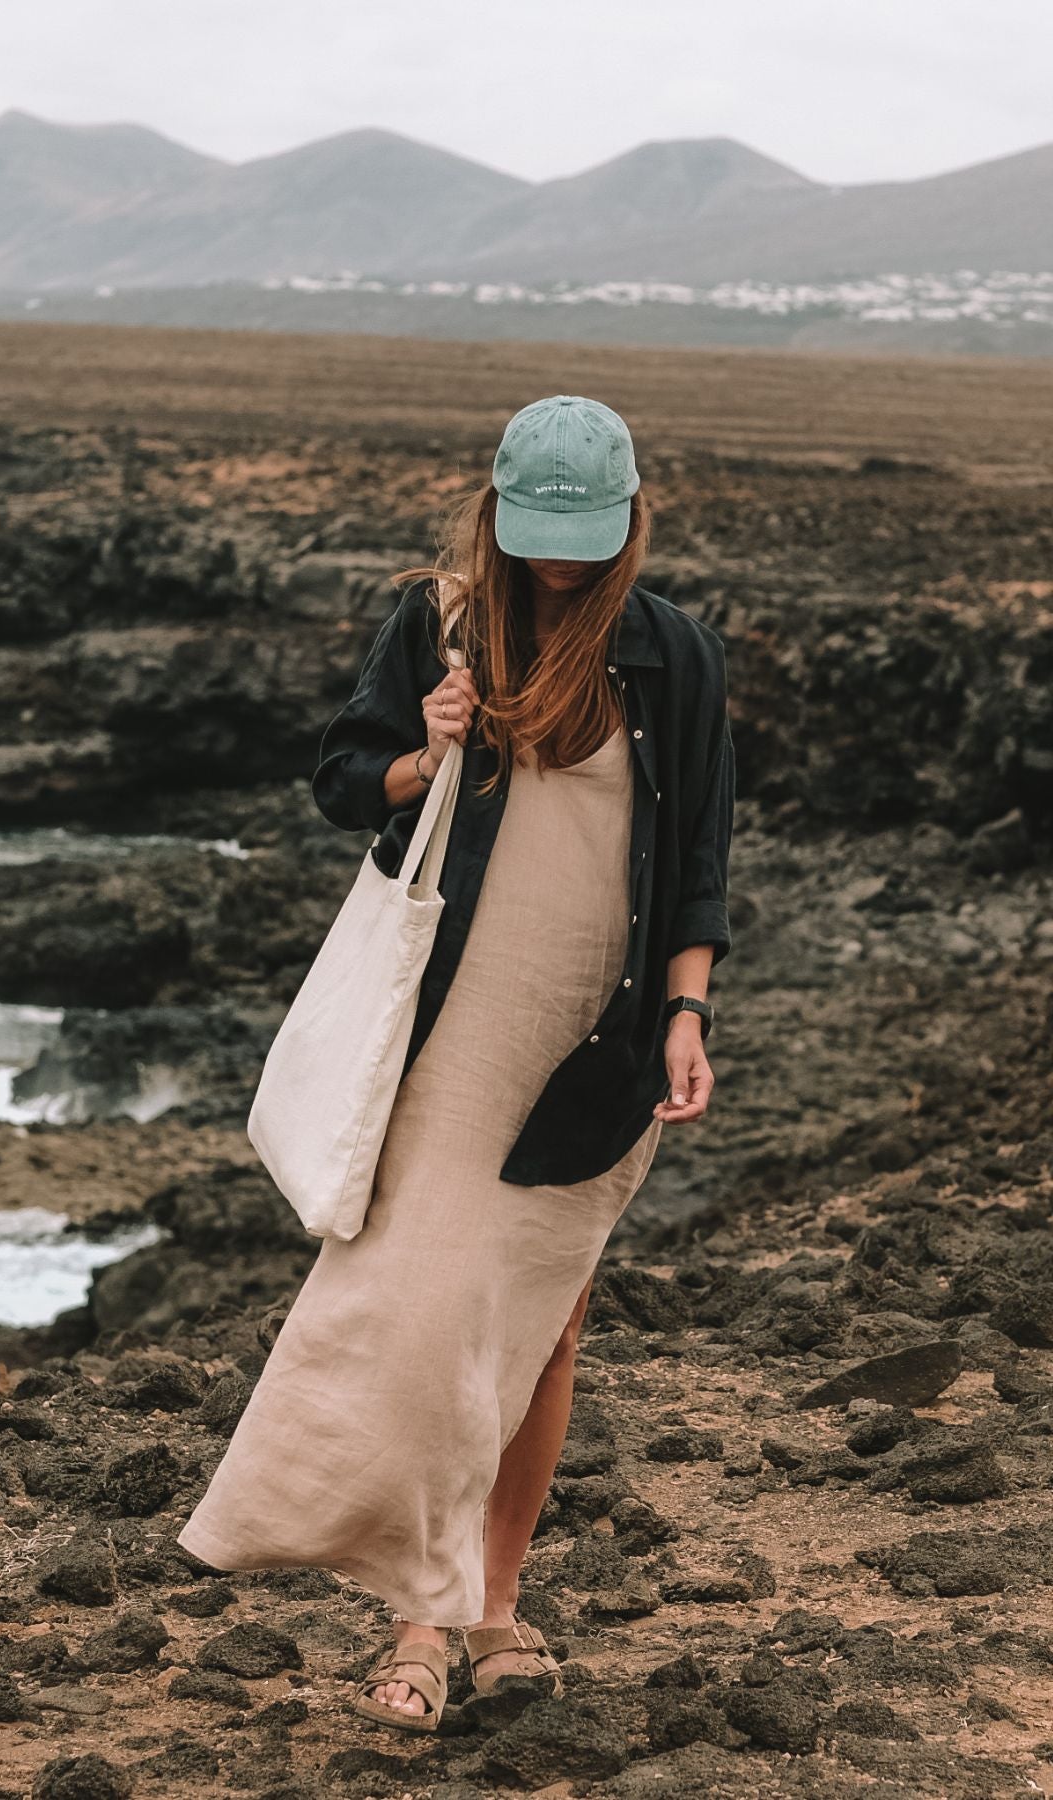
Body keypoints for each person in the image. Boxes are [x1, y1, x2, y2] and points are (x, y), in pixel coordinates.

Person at [176, 393, 735, 1733]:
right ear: (495, 510)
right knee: (426, 1316)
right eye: (537, 532)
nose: (559, 559)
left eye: (584, 536)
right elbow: (337, 781)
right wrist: (424, 755)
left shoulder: (676, 657)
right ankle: (419, 1612)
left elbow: (702, 857)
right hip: (450, 1030)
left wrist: (686, 1014)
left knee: (541, 1335)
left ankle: (493, 1599)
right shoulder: (441, 627)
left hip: (593, 1041)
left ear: (628, 523)